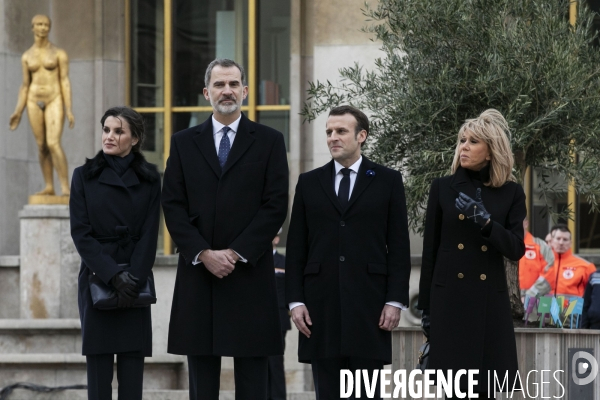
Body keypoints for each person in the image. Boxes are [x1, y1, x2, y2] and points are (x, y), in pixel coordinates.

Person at [161, 58, 289, 400]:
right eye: (219, 84)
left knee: (254, 384)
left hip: (249, 274)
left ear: (245, 91)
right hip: (199, 277)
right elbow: (172, 205)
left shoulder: (269, 141)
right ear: (207, 93)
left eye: (233, 84)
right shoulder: (183, 142)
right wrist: (203, 253)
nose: (227, 91)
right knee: (202, 383)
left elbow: (275, 205)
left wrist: (234, 253)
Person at [286, 105, 412, 399]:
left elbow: (399, 246)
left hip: (370, 306)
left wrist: (395, 300)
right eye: (329, 131)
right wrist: (295, 301)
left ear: (362, 136)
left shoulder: (387, 181)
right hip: (320, 307)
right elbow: (296, 248)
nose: (333, 137)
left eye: (341, 131)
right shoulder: (308, 182)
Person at [418, 109, 526, 398]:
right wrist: (426, 308)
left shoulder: (511, 192)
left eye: (473, 141)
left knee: (486, 390)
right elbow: (430, 251)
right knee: (453, 390)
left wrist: (486, 221)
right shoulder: (442, 187)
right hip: (449, 301)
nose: (463, 147)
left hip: (489, 303)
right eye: (462, 140)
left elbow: (516, 249)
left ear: (491, 151)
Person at [70, 106, 160, 400]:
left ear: (135, 139)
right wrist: (112, 276)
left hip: (135, 283)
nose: (109, 136)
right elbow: (81, 234)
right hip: (98, 280)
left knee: (133, 377)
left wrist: (132, 278)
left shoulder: (150, 179)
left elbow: (150, 234)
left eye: (118, 131)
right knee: (98, 376)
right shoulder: (83, 176)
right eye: (106, 129)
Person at [9, 14, 75, 197]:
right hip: (32, 99)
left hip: (54, 98)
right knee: (41, 145)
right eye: (39, 24)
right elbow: (24, 86)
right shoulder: (26, 56)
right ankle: (49, 186)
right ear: (32, 28)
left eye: (46, 24)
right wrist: (18, 111)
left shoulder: (58, 53)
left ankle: (64, 187)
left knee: (53, 142)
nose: (43, 28)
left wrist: (68, 108)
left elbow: (65, 81)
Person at [539, 224, 596, 297]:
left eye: (565, 239)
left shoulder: (585, 266)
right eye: (558, 238)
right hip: (544, 307)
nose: (561, 243)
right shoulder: (540, 262)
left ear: (571, 243)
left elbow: (595, 293)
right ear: (552, 241)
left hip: (573, 307)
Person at [268, 229, 291, 400]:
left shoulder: (284, 262)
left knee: (275, 364)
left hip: (279, 320)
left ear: (276, 239)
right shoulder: (253, 261)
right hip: (254, 321)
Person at [519, 218, 554, 299]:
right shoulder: (503, 246)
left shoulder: (541, 246)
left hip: (535, 301)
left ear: (526, 223)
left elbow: (550, 273)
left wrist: (530, 295)